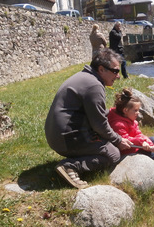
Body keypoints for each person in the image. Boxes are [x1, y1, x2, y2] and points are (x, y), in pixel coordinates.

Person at [44, 48, 132, 189]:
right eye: (115, 71)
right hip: (66, 139)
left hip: (57, 136)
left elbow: (96, 117)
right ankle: (70, 166)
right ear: (101, 69)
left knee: (108, 144)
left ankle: (76, 158)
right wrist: (118, 140)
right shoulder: (94, 85)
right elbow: (99, 124)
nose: (118, 76)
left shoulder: (85, 77)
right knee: (113, 154)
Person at [108, 88, 154, 159]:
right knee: (153, 154)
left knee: (153, 140)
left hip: (135, 143)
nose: (138, 113)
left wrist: (149, 145)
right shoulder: (118, 124)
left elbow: (138, 134)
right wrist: (142, 143)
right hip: (126, 151)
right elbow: (126, 140)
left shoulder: (131, 120)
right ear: (125, 110)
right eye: (135, 110)